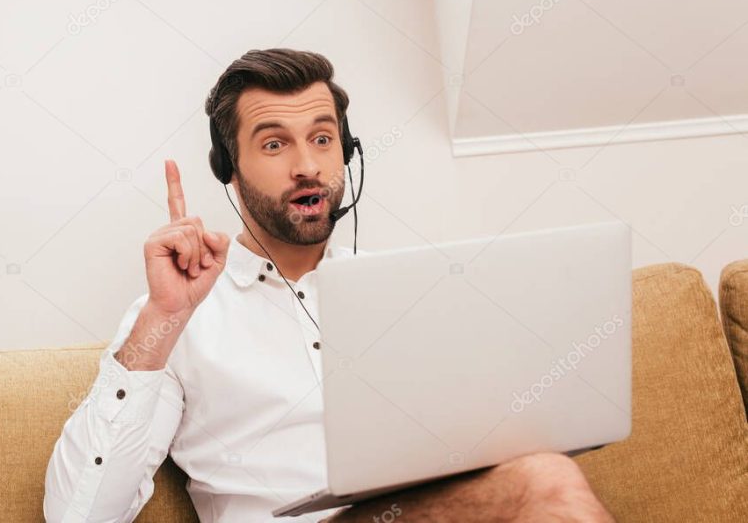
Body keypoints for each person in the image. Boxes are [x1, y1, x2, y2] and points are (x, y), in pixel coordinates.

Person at [43, 48, 614, 523]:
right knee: (546, 479)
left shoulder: (412, 294)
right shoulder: (177, 318)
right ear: (228, 170)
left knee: (541, 468)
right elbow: (78, 515)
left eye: (322, 139)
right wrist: (163, 317)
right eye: (274, 144)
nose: (307, 166)